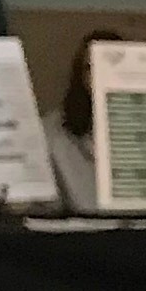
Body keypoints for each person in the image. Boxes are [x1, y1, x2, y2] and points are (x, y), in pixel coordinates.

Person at [39, 29, 120, 213]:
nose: (101, 76)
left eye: (110, 67)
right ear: (81, 75)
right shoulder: (50, 133)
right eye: (91, 68)